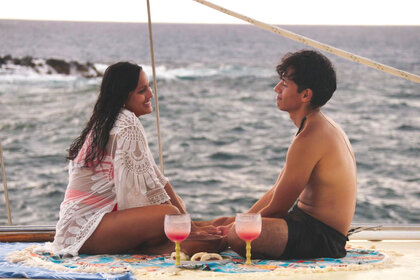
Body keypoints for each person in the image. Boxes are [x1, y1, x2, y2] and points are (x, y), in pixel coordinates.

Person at [52, 62, 219, 256]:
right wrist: (187, 226)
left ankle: (160, 246)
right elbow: (137, 194)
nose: (150, 94)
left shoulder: (105, 121)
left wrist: (189, 224)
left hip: (73, 230)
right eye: (142, 90)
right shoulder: (126, 123)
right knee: (170, 215)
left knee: (176, 213)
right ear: (123, 96)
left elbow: (157, 180)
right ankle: (157, 246)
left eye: (149, 87)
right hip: (87, 230)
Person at [213, 50, 357, 259]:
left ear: (306, 95)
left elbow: (279, 208)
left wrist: (237, 228)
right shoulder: (314, 126)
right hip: (305, 224)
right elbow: (276, 191)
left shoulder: (311, 136)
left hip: (324, 237)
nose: (276, 89)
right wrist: (243, 218)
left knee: (238, 234)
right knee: (224, 223)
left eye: (285, 85)